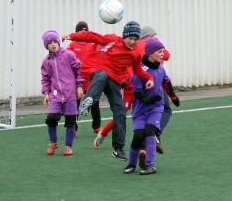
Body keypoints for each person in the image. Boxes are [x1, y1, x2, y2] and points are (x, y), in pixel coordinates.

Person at [61, 21, 154, 161]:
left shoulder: (134, 53)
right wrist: (72, 36)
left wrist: (149, 78)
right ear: (124, 36)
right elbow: (91, 36)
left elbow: (138, 70)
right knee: (102, 75)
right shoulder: (111, 40)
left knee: (120, 111)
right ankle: (89, 99)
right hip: (96, 69)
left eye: (135, 39)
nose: (132, 42)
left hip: (114, 80)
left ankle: (118, 149)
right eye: (130, 38)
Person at [94, 25, 175, 153]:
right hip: (150, 85)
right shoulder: (154, 44)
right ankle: (153, 136)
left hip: (131, 85)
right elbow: (167, 55)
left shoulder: (133, 45)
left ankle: (102, 134)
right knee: (164, 109)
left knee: (121, 113)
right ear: (152, 35)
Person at [123, 38, 180, 175]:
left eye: (163, 51)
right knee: (138, 136)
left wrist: (172, 96)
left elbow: (166, 82)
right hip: (140, 110)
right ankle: (131, 164)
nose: (163, 54)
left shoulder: (160, 69)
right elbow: (137, 92)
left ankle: (150, 165)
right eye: (159, 52)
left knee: (150, 131)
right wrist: (150, 99)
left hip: (156, 107)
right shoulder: (140, 72)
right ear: (149, 54)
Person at [41, 30, 84, 156]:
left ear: (59, 42)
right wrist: (46, 93)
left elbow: (79, 70)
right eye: (50, 43)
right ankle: (53, 142)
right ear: (46, 46)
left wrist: (79, 86)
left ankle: (68, 146)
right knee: (51, 119)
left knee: (71, 121)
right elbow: (45, 79)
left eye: (55, 42)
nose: (53, 45)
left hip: (70, 94)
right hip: (55, 95)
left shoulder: (68, 55)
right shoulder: (46, 61)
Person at [67, 21, 102, 136]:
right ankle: (73, 128)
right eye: (81, 31)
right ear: (77, 33)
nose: (83, 33)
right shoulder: (72, 46)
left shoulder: (92, 45)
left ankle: (96, 127)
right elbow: (67, 62)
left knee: (94, 103)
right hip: (77, 82)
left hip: (90, 80)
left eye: (85, 31)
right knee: (74, 105)